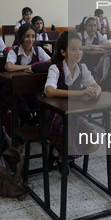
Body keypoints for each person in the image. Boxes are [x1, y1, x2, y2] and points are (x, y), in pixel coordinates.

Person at [45, 31, 100, 160]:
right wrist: (81, 92)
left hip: (72, 113)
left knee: (94, 143)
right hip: (54, 115)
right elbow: (50, 91)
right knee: (70, 137)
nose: (78, 52)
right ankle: (63, 155)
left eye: (80, 49)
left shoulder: (82, 68)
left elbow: (96, 85)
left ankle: (59, 156)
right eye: (73, 49)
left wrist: (96, 91)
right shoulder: (55, 68)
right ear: (63, 52)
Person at [3, 23, 51, 125]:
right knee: (22, 105)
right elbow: (10, 67)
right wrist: (30, 66)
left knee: (43, 104)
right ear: (21, 37)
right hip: (15, 90)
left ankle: (30, 124)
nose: (31, 39)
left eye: (33, 36)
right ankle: (25, 124)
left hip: (33, 88)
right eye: (27, 36)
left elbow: (50, 62)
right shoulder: (14, 51)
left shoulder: (38, 50)